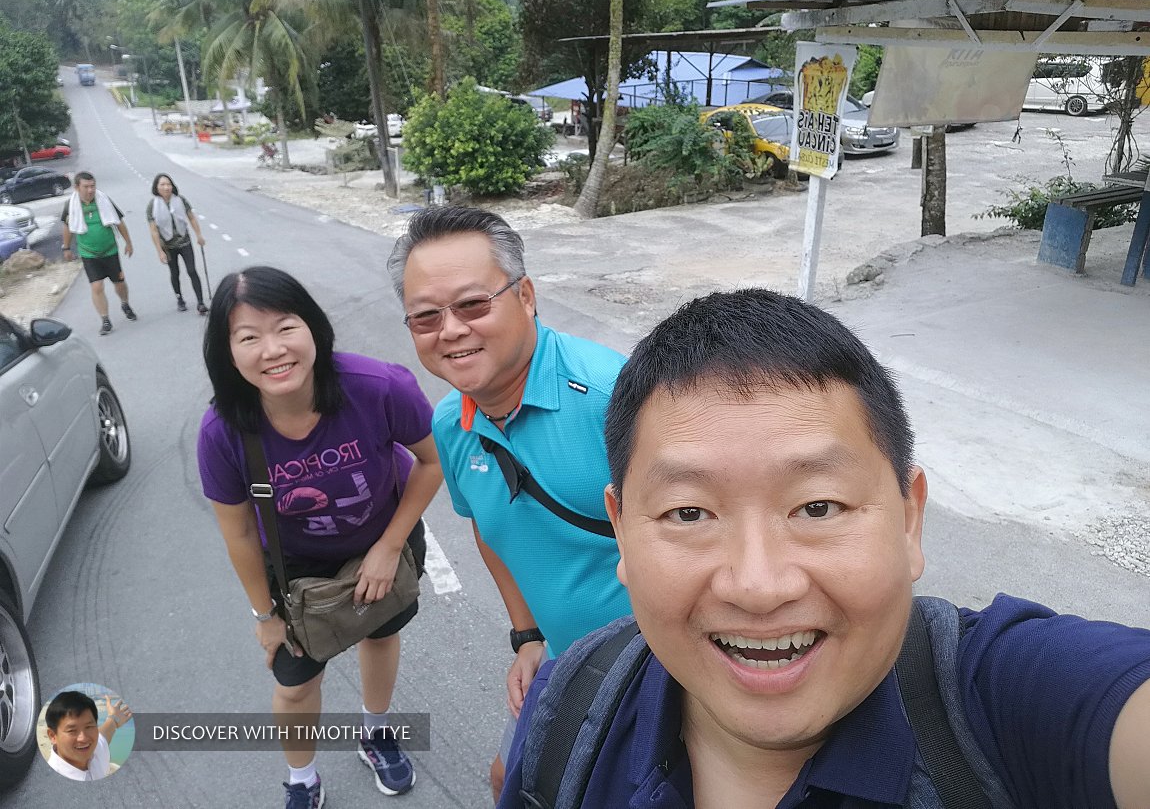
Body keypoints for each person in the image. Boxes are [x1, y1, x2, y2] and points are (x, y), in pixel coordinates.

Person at [499, 288, 1150, 809]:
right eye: (689, 512)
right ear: (622, 531)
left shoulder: (1007, 710)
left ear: (908, 519)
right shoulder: (571, 704)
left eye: (818, 506)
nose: (757, 585)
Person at [387, 206, 633, 800]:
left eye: (473, 305)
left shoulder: (615, 400)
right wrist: (527, 637)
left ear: (525, 295)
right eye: (425, 317)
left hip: (660, 670)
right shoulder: (452, 423)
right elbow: (494, 531)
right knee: (509, 781)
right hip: (566, 663)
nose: (450, 330)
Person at [197, 266, 443, 809]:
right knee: (294, 684)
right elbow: (238, 532)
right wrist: (265, 617)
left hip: (385, 543)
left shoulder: (378, 387)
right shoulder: (223, 433)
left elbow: (431, 461)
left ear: (313, 328)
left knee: (380, 636)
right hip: (292, 569)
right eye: (248, 337)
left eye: (285, 327)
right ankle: (301, 777)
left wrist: (388, 546)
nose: (272, 349)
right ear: (228, 353)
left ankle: (375, 733)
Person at [60, 171, 136, 336]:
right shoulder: (71, 205)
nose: (90, 190)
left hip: (110, 250)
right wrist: (66, 247)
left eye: (93, 186)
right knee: (97, 286)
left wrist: (128, 243)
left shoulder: (104, 200)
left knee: (119, 283)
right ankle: (105, 319)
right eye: (86, 187)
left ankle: (125, 303)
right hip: (89, 253)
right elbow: (67, 227)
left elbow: (119, 222)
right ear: (77, 188)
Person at [146, 172, 208, 314]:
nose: (166, 187)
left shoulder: (180, 200)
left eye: (168, 184)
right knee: (175, 272)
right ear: (157, 187)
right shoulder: (152, 206)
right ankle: (180, 299)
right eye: (162, 185)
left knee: (192, 270)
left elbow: (191, 218)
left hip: (184, 241)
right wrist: (159, 251)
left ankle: (200, 302)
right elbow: (154, 230)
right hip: (168, 245)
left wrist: (199, 235)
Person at [44, 690, 132, 782]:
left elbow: (106, 731)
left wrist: (114, 719)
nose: (83, 738)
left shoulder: (96, 749)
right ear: (52, 736)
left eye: (89, 727)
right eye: (72, 730)